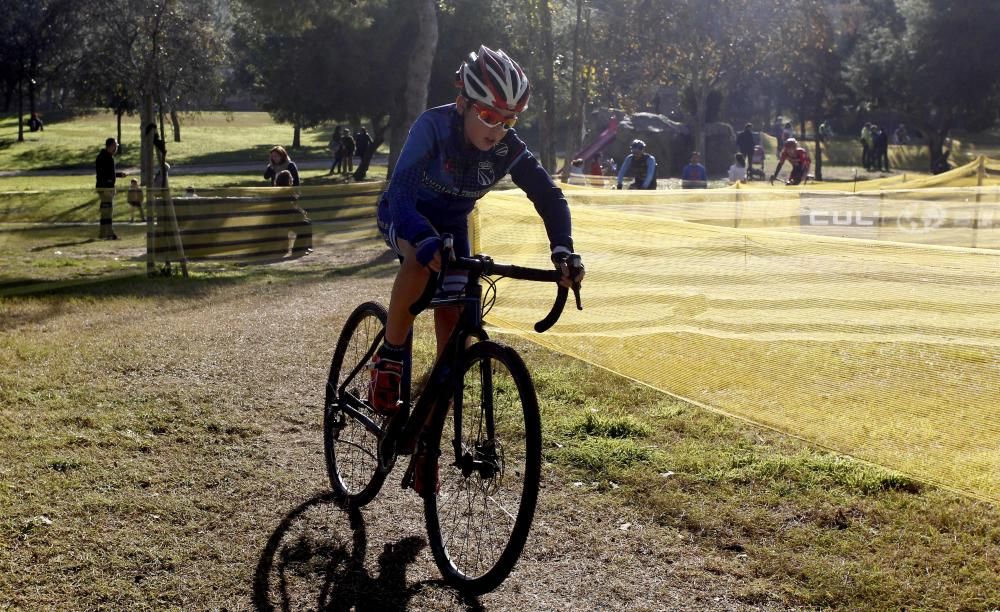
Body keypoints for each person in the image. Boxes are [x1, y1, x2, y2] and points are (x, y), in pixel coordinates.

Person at [371, 45, 583, 494]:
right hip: (406, 215)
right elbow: (403, 195)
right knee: (419, 260)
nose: (498, 129)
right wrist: (423, 238)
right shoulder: (432, 127)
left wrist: (564, 252)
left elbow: (549, 197)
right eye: (489, 116)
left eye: (509, 119)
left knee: (455, 346)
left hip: (452, 226)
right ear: (464, 103)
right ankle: (389, 358)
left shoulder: (507, 147)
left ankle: (426, 441)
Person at [95, 137, 126, 240]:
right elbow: (103, 174)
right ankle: (109, 233)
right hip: (106, 188)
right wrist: (110, 184)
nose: (116, 148)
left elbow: (108, 173)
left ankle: (102, 233)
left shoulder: (103, 156)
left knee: (105, 211)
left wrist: (118, 175)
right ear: (111, 145)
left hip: (103, 187)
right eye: (115, 146)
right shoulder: (106, 158)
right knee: (108, 210)